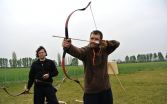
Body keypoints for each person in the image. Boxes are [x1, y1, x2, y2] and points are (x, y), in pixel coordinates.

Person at [62, 30, 120, 104]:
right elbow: (78, 51)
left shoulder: (105, 49)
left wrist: (107, 42)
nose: (93, 40)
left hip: (106, 89)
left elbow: (117, 43)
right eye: (92, 38)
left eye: (96, 39)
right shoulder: (86, 50)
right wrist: (69, 46)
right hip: (91, 92)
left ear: (100, 41)